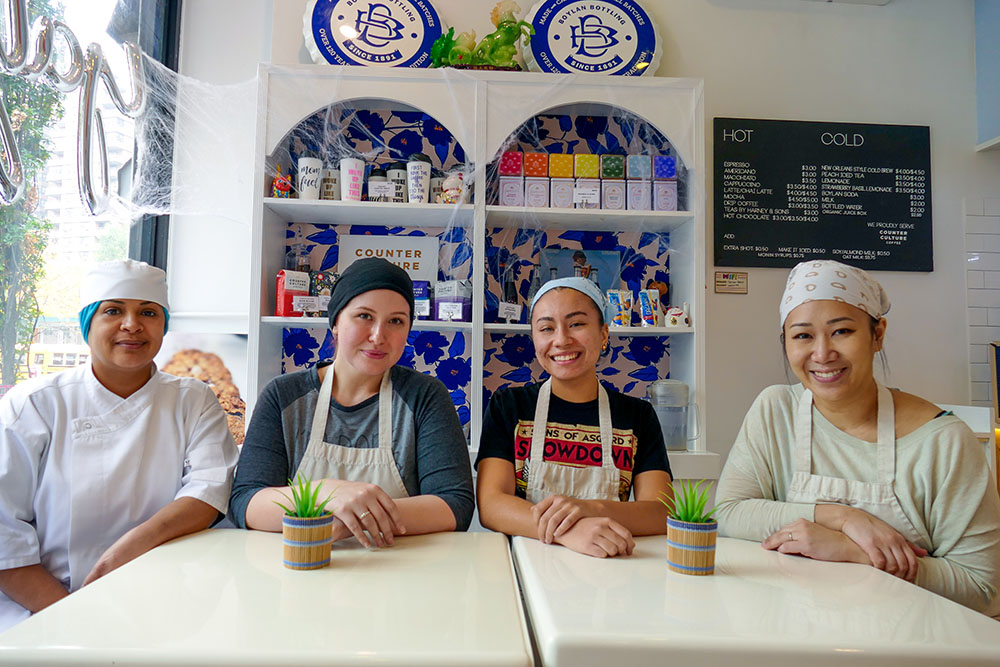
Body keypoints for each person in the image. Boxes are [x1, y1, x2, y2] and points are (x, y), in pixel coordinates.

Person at [716, 259, 1000, 617]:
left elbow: (983, 589)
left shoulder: (942, 442)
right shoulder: (776, 411)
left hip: (910, 645)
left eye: (842, 331)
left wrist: (856, 553)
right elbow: (728, 513)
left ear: (877, 334)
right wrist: (842, 517)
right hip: (794, 633)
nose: (822, 354)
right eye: (803, 335)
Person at [0, 259, 239, 633]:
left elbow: (209, 490)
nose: (132, 324)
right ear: (87, 323)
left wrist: (125, 551)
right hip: (43, 607)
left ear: (163, 326)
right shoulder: (34, 403)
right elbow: (4, 536)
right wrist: (73, 618)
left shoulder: (193, 399)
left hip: (160, 598)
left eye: (148, 312)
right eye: (113, 310)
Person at [229, 257, 474, 546]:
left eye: (396, 321)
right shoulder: (283, 395)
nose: (378, 336)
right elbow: (246, 502)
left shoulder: (426, 397)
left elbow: (454, 506)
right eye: (364, 316)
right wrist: (324, 493)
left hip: (400, 570)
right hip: (303, 564)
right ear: (335, 323)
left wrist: (355, 518)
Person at [476, 277, 673, 558]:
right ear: (534, 338)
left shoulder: (637, 415)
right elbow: (491, 505)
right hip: (527, 565)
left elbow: (660, 511)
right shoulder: (509, 406)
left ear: (604, 333)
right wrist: (569, 531)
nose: (561, 340)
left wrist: (589, 507)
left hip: (610, 563)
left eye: (577, 324)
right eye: (546, 328)